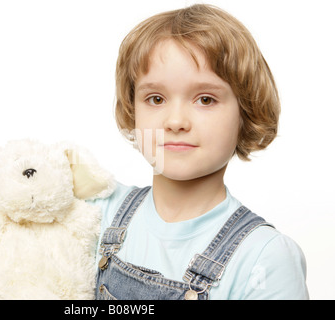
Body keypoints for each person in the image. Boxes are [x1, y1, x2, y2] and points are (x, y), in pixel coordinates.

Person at [89, 4, 308, 300]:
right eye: (155, 98)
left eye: (205, 99)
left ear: (246, 111)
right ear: (133, 109)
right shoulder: (96, 214)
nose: (176, 121)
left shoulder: (262, 258)